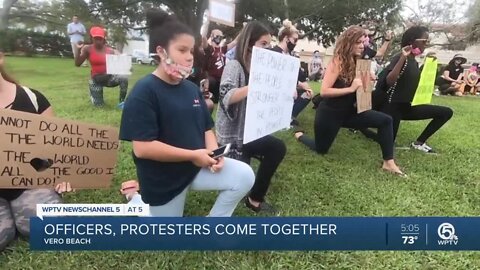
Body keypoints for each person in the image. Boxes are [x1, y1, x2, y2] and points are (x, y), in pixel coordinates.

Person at [119, 10, 254, 217]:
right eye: (182, 50)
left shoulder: (191, 89)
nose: (190, 57)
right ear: (162, 52)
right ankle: (135, 198)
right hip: (163, 177)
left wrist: (214, 154)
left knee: (244, 175)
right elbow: (143, 149)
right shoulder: (144, 91)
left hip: (196, 167)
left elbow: (206, 127)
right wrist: (194, 155)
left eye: (191, 51)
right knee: (166, 235)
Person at [293, 26, 405, 176]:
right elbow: (325, 91)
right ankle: (300, 136)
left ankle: (388, 162)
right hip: (330, 113)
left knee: (386, 120)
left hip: (350, 112)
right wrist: (351, 89)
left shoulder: (360, 59)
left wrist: (367, 78)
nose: (362, 45)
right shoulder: (337, 61)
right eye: (357, 42)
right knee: (321, 149)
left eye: (362, 42)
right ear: (347, 43)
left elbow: (362, 89)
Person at [0, 50, 73, 251]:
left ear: (0, 57)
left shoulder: (33, 98)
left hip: (30, 184)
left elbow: (53, 147)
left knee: (55, 229)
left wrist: (60, 173)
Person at [216, 21, 286, 215]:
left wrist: (288, 93)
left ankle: (255, 199)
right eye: (263, 44)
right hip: (233, 136)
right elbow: (227, 96)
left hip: (251, 130)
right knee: (240, 179)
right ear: (249, 44)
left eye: (269, 44)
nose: (268, 48)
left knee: (277, 147)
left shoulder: (261, 69)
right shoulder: (234, 66)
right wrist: (254, 86)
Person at [373, 26, 453, 153]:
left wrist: (429, 65)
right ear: (412, 40)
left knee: (446, 112)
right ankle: (362, 127)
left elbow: (414, 82)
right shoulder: (400, 56)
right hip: (391, 107)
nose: (426, 45)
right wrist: (402, 58)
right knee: (387, 141)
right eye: (424, 41)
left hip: (406, 107)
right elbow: (389, 80)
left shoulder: (414, 61)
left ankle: (419, 142)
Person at [271, 19, 313, 126]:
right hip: (275, 90)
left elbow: (299, 75)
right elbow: (275, 77)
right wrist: (296, 85)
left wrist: (303, 85)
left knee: (307, 93)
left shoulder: (291, 56)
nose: (296, 43)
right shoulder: (273, 53)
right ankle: (282, 117)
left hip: (290, 88)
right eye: (294, 40)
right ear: (286, 38)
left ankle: (289, 117)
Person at [74, 26, 128, 107]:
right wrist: (78, 50)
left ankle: (122, 102)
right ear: (92, 38)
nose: (98, 41)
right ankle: (94, 97)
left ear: (104, 39)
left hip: (108, 77)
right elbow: (77, 64)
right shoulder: (87, 48)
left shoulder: (110, 50)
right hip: (96, 79)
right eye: (96, 38)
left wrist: (124, 62)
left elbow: (120, 64)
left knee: (123, 77)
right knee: (99, 106)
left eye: (100, 38)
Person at [201, 14, 240, 103]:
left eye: (221, 36)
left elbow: (235, 42)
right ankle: (205, 96)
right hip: (210, 79)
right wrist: (206, 23)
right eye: (217, 36)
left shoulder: (222, 49)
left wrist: (245, 30)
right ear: (212, 36)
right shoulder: (210, 49)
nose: (219, 38)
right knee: (210, 82)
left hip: (221, 80)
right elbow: (203, 38)